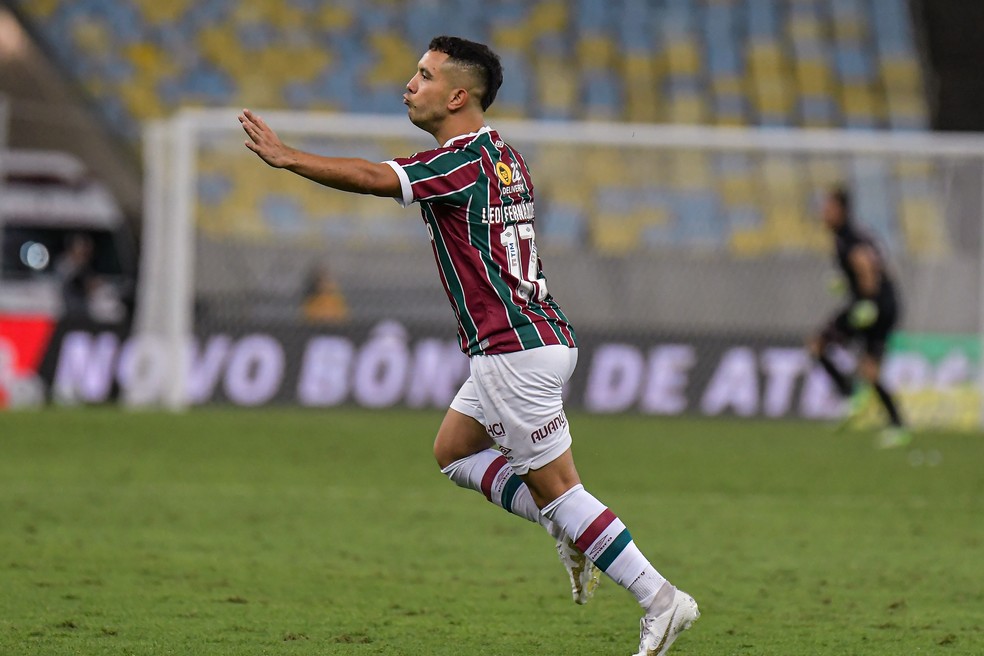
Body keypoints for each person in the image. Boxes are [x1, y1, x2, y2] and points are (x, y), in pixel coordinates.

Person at [239, 35, 698, 656]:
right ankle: (570, 529)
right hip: (535, 335)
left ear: (458, 96)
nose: (410, 84)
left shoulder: (459, 162)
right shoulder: (504, 157)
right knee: (455, 451)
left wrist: (289, 158)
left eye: (424, 75)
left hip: (514, 347)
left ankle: (661, 600)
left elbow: (378, 177)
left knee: (561, 488)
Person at [808, 186, 910, 448]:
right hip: (883, 303)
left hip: (871, 304)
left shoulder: (848, 236)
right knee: (870, 370)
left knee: (818, 345)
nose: (823, 213)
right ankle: (897, 424)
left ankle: (847, 394)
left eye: (827, 207)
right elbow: (876, 266)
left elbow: (865, 266)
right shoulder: (853, 233)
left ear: (840, 210)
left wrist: (866, 300)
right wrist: (847, 283)